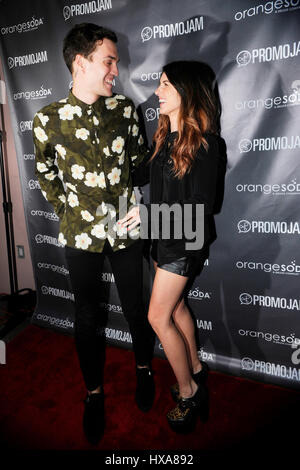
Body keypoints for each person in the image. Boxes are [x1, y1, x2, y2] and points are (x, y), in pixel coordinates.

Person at [32, 23, 155, 445]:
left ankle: (143, 369)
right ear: (80, 62)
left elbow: (140, 163)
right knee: (87, 316)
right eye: (108, 61)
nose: (115, 71)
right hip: (79, 235)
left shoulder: (125, 110)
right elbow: (45, 173)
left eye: (116, 63)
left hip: (125, 225)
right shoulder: (48, 120)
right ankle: (94, 394)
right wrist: (68, 210)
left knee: (137, 308)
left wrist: (138, 198)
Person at [119, 61, 224, 432]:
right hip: (164, 242)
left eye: (165, 85)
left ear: (186, 91)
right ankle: (196, 368)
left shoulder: (208, 145)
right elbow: (139, 175)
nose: (156, 92)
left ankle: (189, 390)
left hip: (185, 244)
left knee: (157, 317)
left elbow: (201, 210)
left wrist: (147, 219)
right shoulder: (164, 139)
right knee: (177, 307)